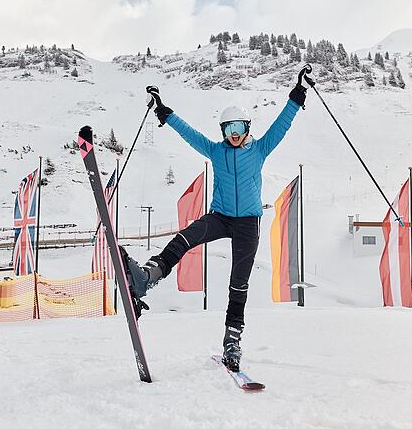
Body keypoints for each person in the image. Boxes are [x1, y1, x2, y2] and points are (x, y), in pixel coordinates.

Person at [119, 75, 307, 372]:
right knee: (185, 237)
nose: (234, 134)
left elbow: (281, 126)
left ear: (247, 128)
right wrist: (164, 113)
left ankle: (232, 340)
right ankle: (149, 275)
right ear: (223, 131)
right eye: (228, 129)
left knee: (238, 283)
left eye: (239, 128)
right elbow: (190, 134)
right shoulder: (217, 151)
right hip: (219, 217)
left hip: (247, 222)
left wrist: (297, 97)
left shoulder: (259, 150)